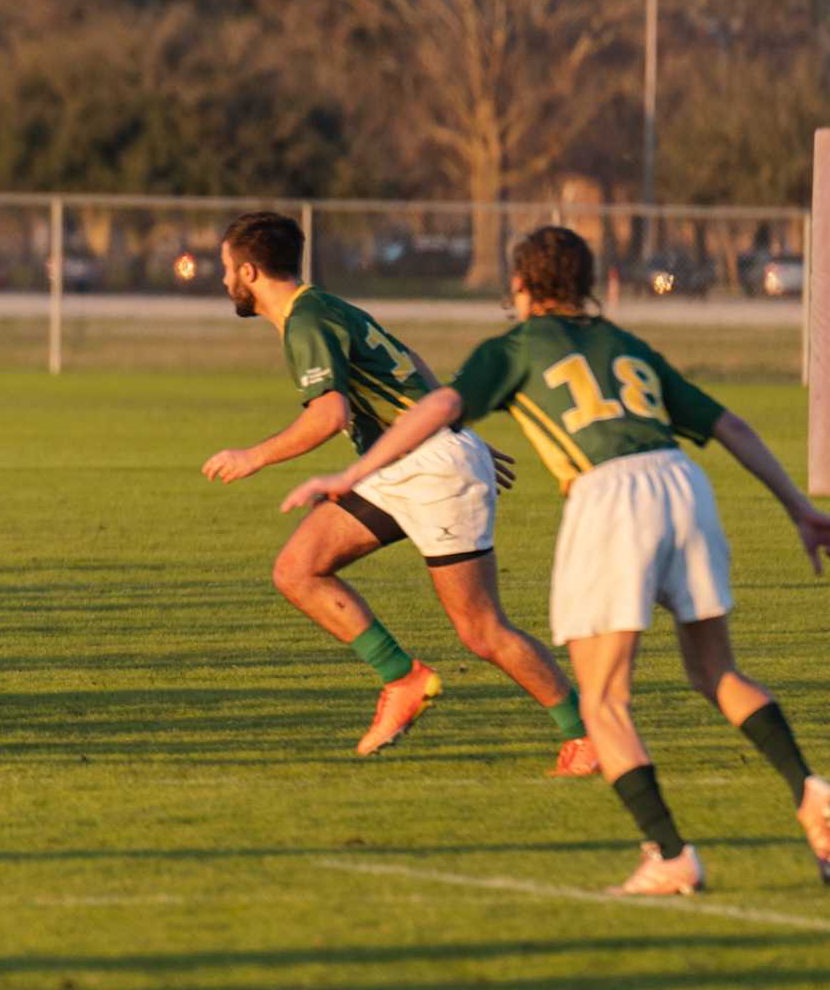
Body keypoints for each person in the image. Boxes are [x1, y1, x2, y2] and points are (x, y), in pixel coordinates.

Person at [281, 225, 830, 894]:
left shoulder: (515, 346)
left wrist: (353, 472)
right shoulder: (628, 347)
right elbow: (732, 427)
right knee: (717, 671)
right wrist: (799, 507)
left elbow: (442, 406)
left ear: (519, 284)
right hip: (685, 485)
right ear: (587, 282)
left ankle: (670, 853)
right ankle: (808, 788)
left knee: (602, 700)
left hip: (611, 496)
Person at [203, 211, 597, 770]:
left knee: (482, 631)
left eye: (225, 269)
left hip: (428, 469)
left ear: (248, 271)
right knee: (297, 569)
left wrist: (254, 456)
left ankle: (585, 732)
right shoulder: (327, 305)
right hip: (408, 464)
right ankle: (404, 678)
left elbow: (328, 413)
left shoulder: (305, 321)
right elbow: (410, 362)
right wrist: (460, 432)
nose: (223, 282)